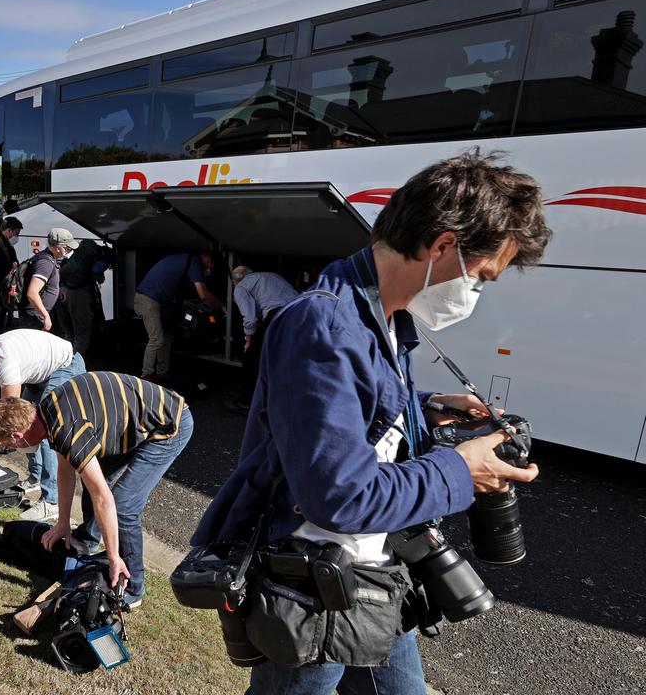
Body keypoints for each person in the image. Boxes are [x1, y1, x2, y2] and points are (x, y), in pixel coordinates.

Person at [190, 151, 551, 694]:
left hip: (375, 568)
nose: (476, 291)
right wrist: (459, 470)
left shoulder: (381, 315)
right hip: (311, 584)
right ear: (444, 246)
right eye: (481, 277)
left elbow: (347, 407)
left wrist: (425, 406)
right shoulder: (324, 326)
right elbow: (339, 495)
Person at [0, 373, 193, 607]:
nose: (14, 448)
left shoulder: (66, 429)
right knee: (92, 477)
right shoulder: (46, 412)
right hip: (133, 419)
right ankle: (88, 539)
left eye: (9, 446)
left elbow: (103, 499)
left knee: (123, 505)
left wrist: (114, 557)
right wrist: (62, 522)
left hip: (168, 425)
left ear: (17, 435)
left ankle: (133, 589)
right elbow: (66, 472)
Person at [0, 329, 86, 521]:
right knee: (26, 429)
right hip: (38, 373)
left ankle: (51, 502)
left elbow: (7, 420)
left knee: (46, 433)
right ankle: (35, 479)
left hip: (65, 366)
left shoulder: (5, 362)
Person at [133, 252, 224, 382]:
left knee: (167, 338)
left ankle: (161, 374)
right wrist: (222, 305)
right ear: (209, 259)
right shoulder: (195, 262)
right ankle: (146, 376)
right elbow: (203, 294)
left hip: (155, 301)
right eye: (211, 265)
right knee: (156, 339)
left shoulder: (186, 260)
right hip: (148, 300)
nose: (210, 268)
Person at [228, 266, 299, 413]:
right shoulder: (271, 275)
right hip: (300, 314)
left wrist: (248, 339)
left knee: (251, 359)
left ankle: (246, 402)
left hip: (278, 317)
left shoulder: (241, 287)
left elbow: (250, 318)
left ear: (236, 280)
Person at [52, 239, 113, 355]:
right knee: (82, 335)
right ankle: (75, 367)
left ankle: (63, 361)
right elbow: (97, 271)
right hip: (78, 296)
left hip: (61, 293)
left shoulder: (77, 256)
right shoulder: (101, 256)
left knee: (68, 333)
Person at [12, 227, 74, 331]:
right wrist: (45, 316)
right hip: (35, 317)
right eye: (67, 248)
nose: (68, 251)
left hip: (35, 315)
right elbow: (32, 293)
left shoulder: (48, 258)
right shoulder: (45, 263)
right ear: (58, 247)